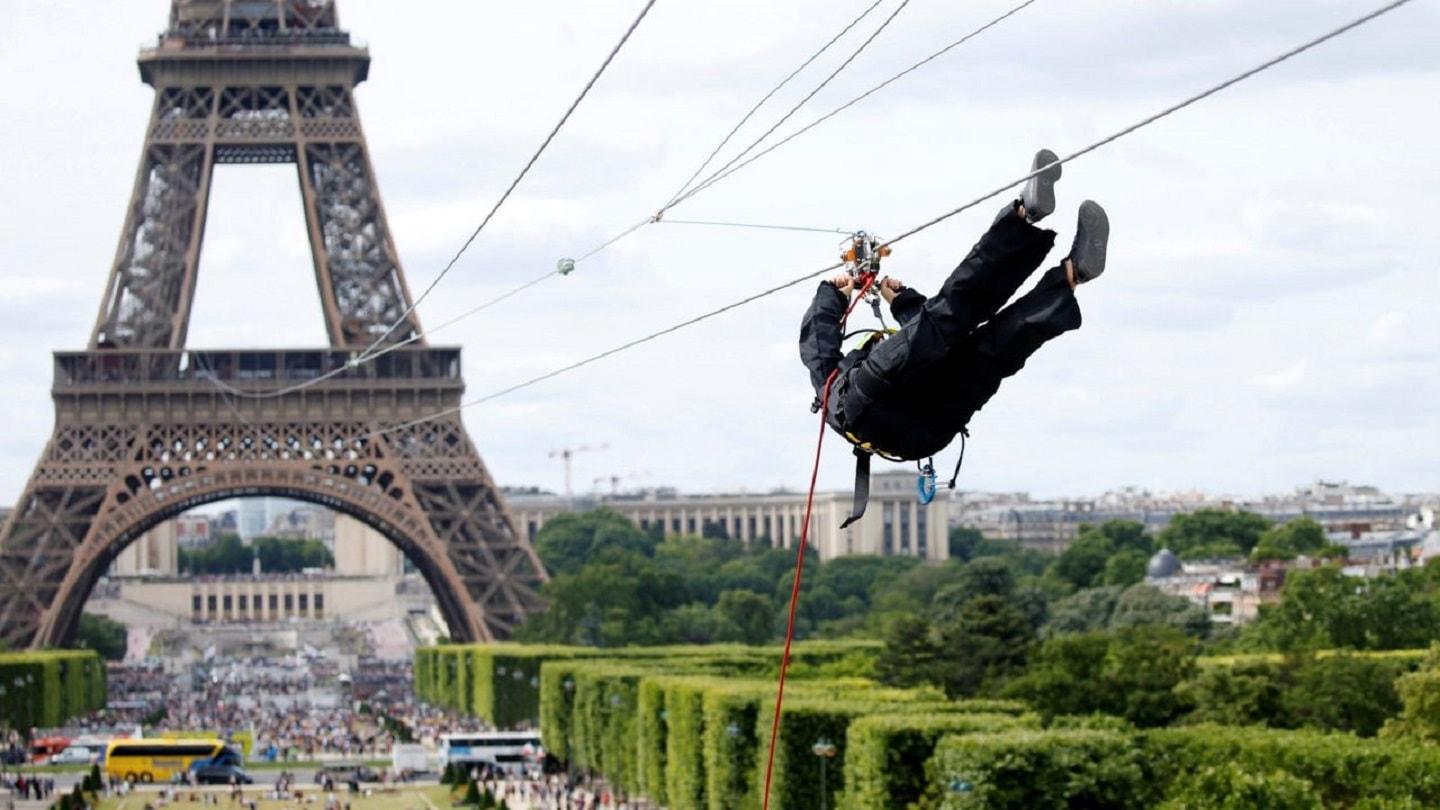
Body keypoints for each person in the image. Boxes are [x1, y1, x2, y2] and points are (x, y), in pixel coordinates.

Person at [799, 149, 1109, 515]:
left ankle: (1073, 274)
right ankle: (1024, 215)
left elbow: (927, 342)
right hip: (875, 404)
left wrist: (890, 300)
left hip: (926, 434)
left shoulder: (839, 390)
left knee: (993, 353)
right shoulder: (835, 383)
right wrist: (834, 292)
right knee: (953, 316)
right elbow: (820, 342)